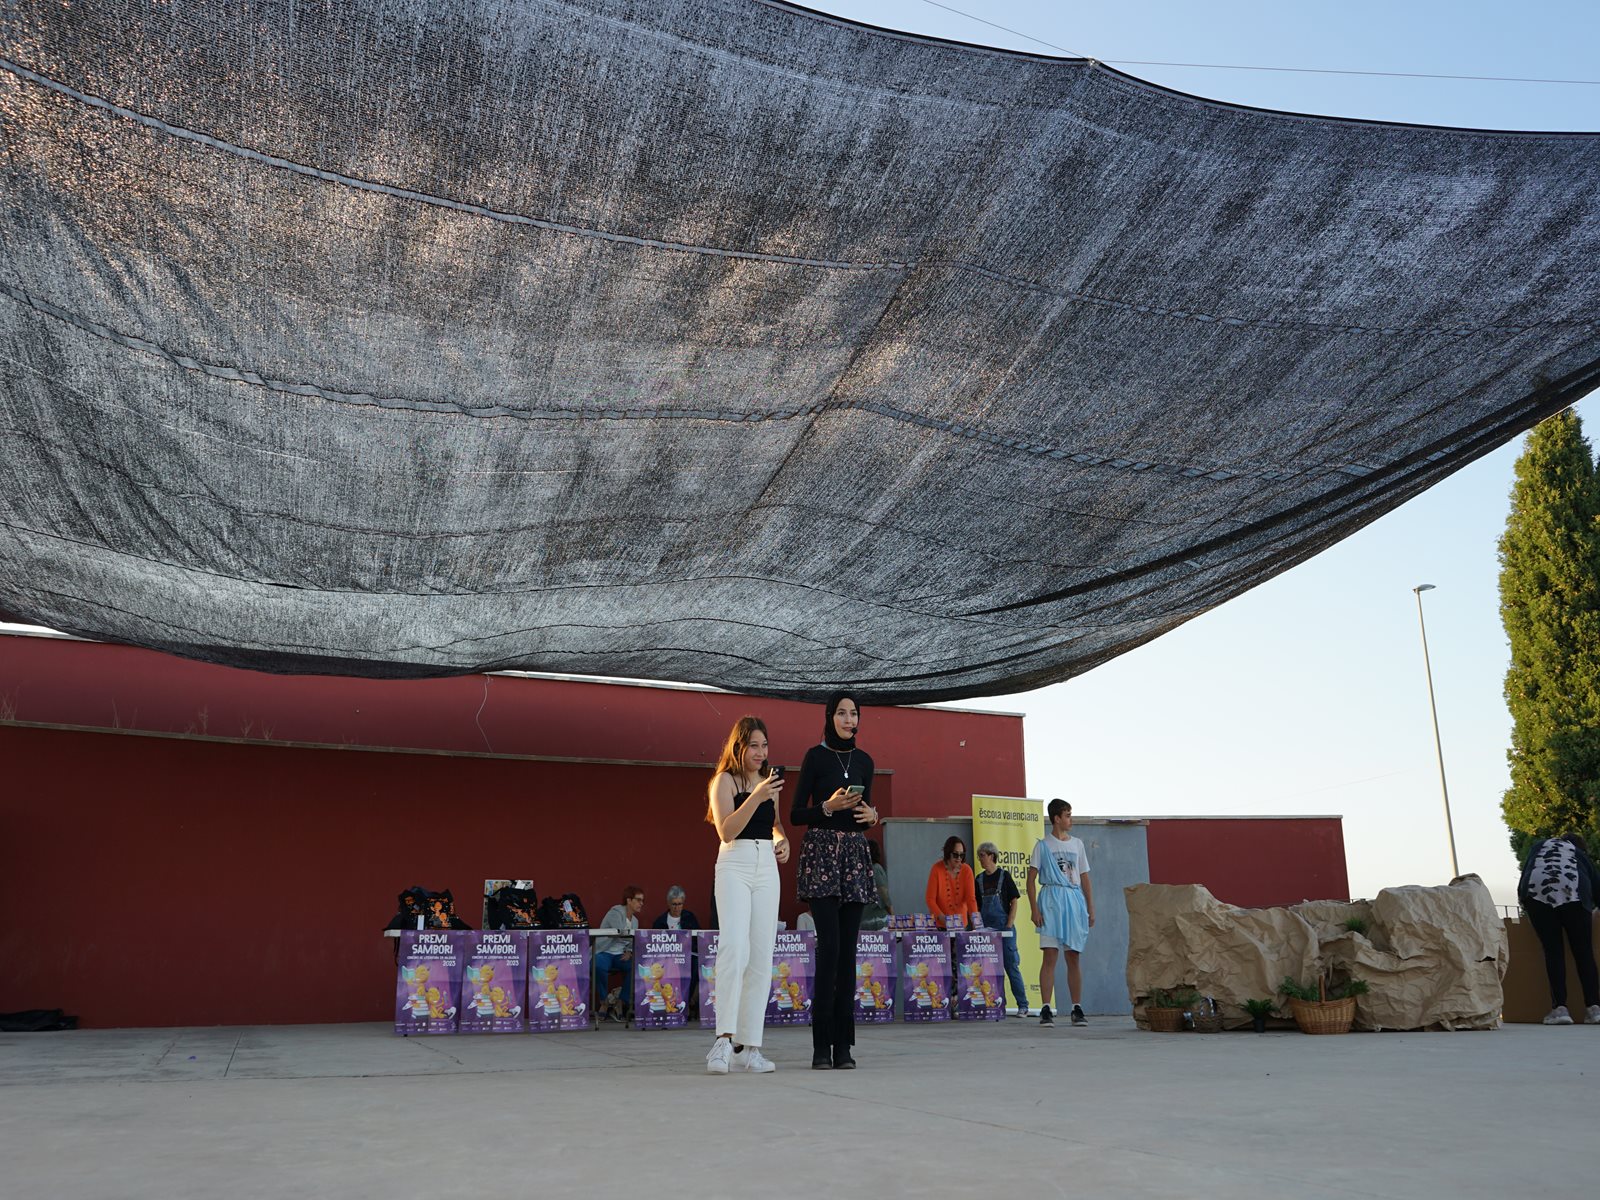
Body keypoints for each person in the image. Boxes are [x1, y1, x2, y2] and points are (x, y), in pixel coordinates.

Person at [792, 692, 880, 1069]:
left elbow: (865, 812)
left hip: (855, 857)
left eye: (853, 713)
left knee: (848, 954)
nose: (848, 719)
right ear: (830, 717)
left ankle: (843, 1046)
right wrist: (826, 807)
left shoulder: (865, 761)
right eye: (841, 713)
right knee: (829, 950)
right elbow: (796, 814)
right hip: (822, 854)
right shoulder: (815, 757)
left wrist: (872, 816)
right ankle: (820, 1047)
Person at [705, 716, 791, 1075]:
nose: (761, 752)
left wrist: (782, 841)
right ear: (739, 747)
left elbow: (774, 823)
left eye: (765, 745)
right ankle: (722, 1041)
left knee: (760, 955)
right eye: (754, 745)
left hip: (766, 865)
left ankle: (749, 1046)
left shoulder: (769, 782)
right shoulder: (724, 781)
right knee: (734, 948)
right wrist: (756, 796)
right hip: (735, 863)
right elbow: (726, 830)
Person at [1516, 833, 1600, 1025]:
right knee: (1584, 952)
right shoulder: (1578, 853)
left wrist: (1525, 903)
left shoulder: (1539, 846)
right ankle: (1594, 1008)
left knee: (1553, 951)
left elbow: (1525, 875)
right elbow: (1597, 886)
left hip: (1538, 893)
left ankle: (1560, 1009)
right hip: (1574, 892)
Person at [1026, 799, 1094, 1028]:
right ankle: (1046, 1008)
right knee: (1050, 955)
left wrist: (1090, 908)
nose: (1070, 820)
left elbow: (1084, 877)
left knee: (1073, 956)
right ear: (1056, 818)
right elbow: (1030, 880)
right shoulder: (1043, 846)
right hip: (1051, 903)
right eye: (1067, 815)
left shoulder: (1077, 844)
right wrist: (1034, 909)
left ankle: (1076, 1007)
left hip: (1073, 902)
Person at [975, 841, 1029, 1017]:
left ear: (991, 856)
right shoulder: (979, 879)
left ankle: (1023, 1005)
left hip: (1005, 928)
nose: (980, 859)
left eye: (982, 855)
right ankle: (998, 1006)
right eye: (979, 856)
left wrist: (1009, 925)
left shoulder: (1004, 876)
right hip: (987, 931)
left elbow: (1014, 901)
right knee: (990, 970)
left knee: (1011, 966)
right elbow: (976, 907)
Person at [594, 885, 644, 1022]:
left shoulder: (635, 921)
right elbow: (621, 932)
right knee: (598, 965)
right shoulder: (615, 912)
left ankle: (620, 1002)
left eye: (642, 900)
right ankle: (604, 1001)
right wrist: (631, 943)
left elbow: (631, 941)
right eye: (638, 900)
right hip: (604, 951)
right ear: (629, 900)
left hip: (620, 955)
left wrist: (629, 951)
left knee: (635, 967)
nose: (641, 903)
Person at [653, 885, 703, 1014]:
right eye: (674, 904)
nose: (677, 907)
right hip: (667, 957)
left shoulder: (690, 917)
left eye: (680, 904)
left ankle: (687, 1000)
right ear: (668, 903)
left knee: (695, 965)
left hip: (688, 955)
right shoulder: (660, 921)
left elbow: (698, 937)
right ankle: (675, 1002)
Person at [925, 835, 978, 931]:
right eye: (955, 855)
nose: (959, 858)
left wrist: (976, 923)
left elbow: (971, 899)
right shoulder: (936, 869)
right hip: (939, 926)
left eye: (962, 855)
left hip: (961, 926)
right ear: (948, 853)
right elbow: (930, 899)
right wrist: (943, 918)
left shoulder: (967, 870)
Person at [860, 840, 893, 931]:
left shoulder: (859, 871)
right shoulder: (876, 868)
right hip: (877, 917)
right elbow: (883, 891)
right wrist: (891, 911)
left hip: (863, 918)